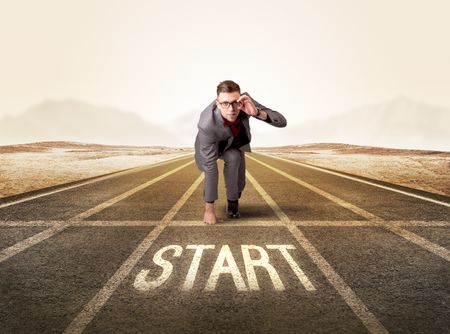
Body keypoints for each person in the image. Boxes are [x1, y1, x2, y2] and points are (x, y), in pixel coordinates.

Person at [194, 80, 287, 224]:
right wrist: (209, 211)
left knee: (237, 170)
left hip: (233, 143)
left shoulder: (245, 100)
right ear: (217, 104)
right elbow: (210, 169)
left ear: (240, 99)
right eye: (225, 103)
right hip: (211, 145)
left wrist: (257, 113)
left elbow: (282, 121)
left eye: (235, 103)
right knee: (210, 169)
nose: (231, 109)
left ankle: (232, 200)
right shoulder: (207, 124)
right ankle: (231, 204)